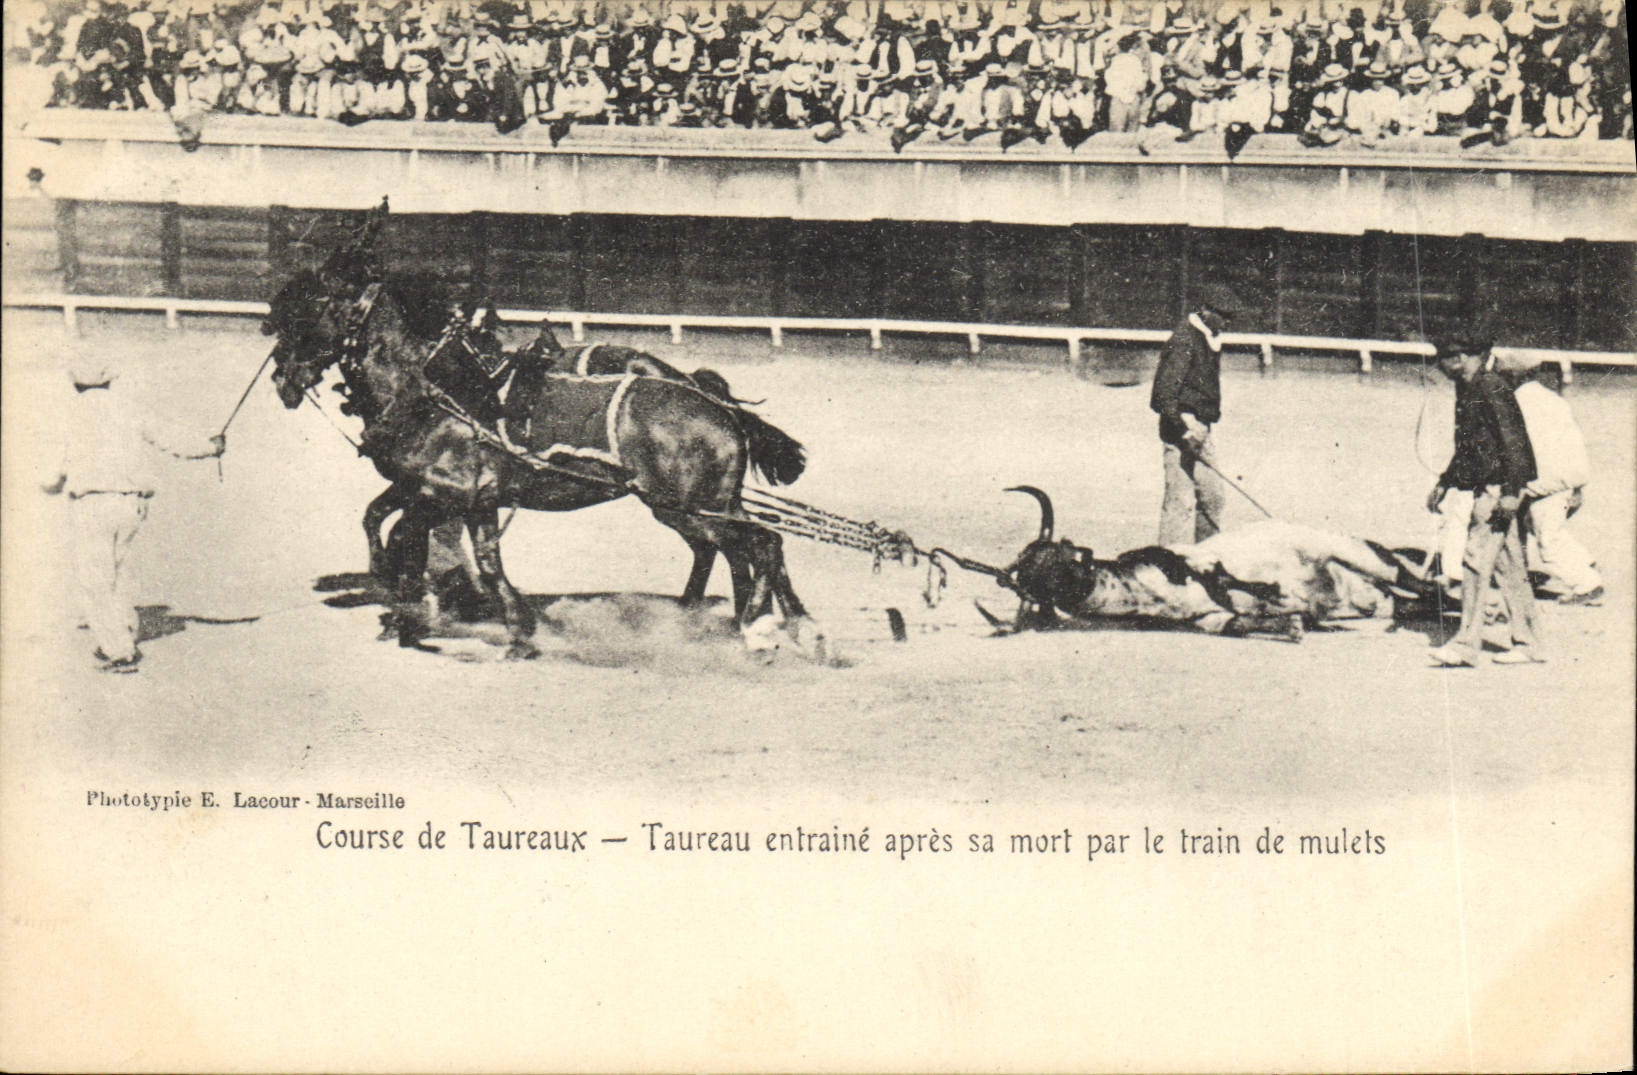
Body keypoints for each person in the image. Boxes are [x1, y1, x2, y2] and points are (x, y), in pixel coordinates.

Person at [42, 358, 225, 673]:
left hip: (91, 505)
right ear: (111, 380)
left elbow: (50, 478)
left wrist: (53, 486)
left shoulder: (67, 414)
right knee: (120, 571)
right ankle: (124, 631)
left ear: (75, 383)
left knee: (96, 581)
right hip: (131, 506)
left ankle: (119, 652)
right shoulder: (129, 409)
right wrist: (210, 447)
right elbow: (173, 441)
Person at [1426, 337, 1545, 667]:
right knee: (1509, 566)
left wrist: (1511, 490)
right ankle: (1530, 642)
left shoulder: (1490, 387)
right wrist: (1446, 482)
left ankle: (1466, 644)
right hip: (1490, 488)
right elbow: (1469, 446)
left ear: (1463, 356)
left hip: (1496, 491)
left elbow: (1515, 441)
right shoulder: (1469, 387)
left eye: (1445, 357)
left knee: (1475, 561)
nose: (1440, 365)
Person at [1510, 363, 1603, 605]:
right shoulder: (1553, 399)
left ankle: (1587, 585)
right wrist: (1577, 485)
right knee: (1545, 528)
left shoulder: (1516, 402)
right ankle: (1584, 562)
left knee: (1548, 541)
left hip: (1544, 480)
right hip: (1565, 476)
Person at [1150, 286, 1235, 546]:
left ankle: (1206, 559)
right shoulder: (1185, 340)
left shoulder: (1206, 338)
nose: (1228, 323)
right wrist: (1184, 427)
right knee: (1180, 501)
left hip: (1201, 430)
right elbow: (1163, 394)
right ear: (1207, 312)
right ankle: (1167, 566)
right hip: (1181, 430)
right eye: (1224, 316)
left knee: (1212, 497)